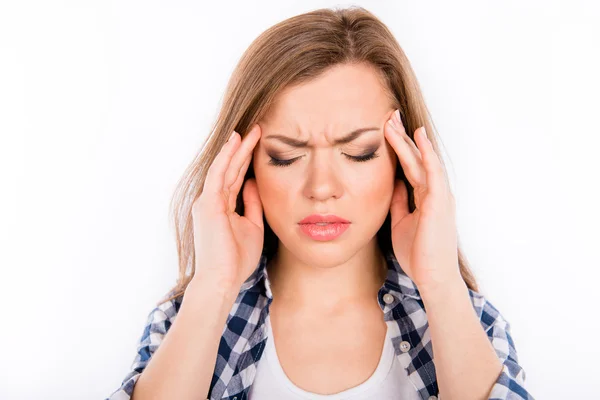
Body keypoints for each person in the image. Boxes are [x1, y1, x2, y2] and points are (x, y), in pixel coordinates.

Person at [106, 6, 533, 400]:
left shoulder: (469, 318)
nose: (321, 187)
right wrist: (214, 283)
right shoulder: (185, 320)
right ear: (244, 166)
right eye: (286, 156)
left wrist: (439, 281)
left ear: (404, 163)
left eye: (359, 152)